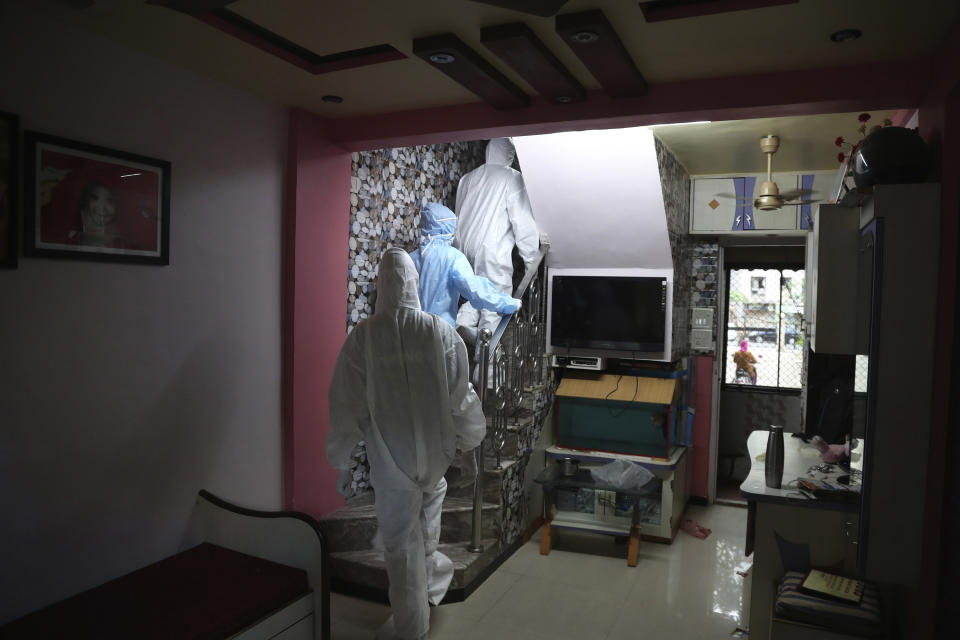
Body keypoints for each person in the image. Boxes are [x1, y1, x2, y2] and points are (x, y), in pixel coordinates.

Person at [327, 248, 487, 640]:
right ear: (414, 283)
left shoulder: (363, 337)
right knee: (424, 528)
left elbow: (345, 402)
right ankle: (419, 608)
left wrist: (342, 457)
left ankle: (411, 624)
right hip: (435, 455)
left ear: (382, 284)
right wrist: (468, 445)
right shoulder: (440, 331)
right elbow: (460, 396)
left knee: (401, 548)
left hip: (390, 458)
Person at [453, 137, 539, 343]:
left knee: (474, 298)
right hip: (492, 253)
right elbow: (523, 222)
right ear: (510, 154)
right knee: (493, 311)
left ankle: (458, 334)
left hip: (463, 250)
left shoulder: (467, 178)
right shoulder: (512, 178)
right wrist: (531, 262)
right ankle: (485, 371)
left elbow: (458, 215)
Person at [409, 202, 521, 328]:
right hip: (440, 333)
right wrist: (507, 304)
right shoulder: (454, 257)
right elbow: (476, 291)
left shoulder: (409, 258)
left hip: (412, 332)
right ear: (446, 228)